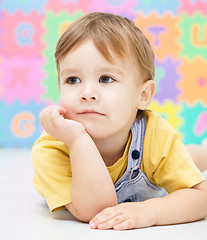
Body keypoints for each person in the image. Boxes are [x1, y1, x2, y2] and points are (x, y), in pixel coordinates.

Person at [32, 12, 207, 231]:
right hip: (99, 171)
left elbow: (201, 198)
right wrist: (77, 140)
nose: (86, 93)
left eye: (106, 79)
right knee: (175, 159)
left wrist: (150, 211)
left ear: (142, 96)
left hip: (153, 163)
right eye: (73, 80)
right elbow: (97, 211)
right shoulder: (51, 149)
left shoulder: (155, 134)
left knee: (188, 157)